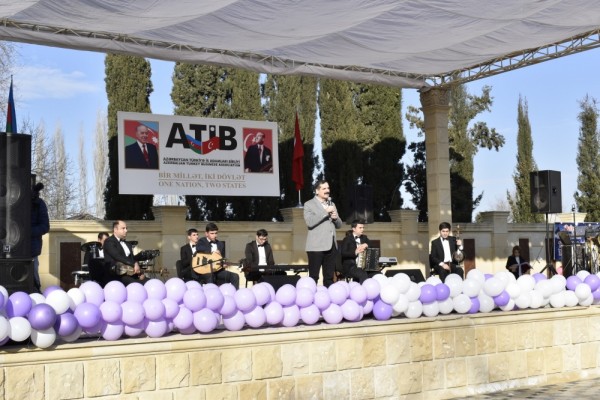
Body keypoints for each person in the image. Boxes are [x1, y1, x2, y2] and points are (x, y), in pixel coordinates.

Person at [304, 180, 342, 287]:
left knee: (329, 278)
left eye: (328, 188)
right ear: (317, 191)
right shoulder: (309, 204)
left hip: (331, 246)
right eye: (324, 188)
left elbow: (339, 225)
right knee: (313, 278)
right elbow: (310, 223)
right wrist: (325, 212)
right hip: (316, 247)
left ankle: (329, 301)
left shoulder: (332, 204)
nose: (327, 191)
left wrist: (335, 218)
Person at [194, 222, 240, 289]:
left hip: (217, 271)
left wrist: (223, 262)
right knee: (210, 276)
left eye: (216, 233)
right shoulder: (201, 241)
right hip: (204, 271)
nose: (214, 235)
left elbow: (221, 260)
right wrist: (213, 253)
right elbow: (199, 249)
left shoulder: (220, 244)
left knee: (235, 276)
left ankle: (235, 296)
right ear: (206, 233)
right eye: (212, 233)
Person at [103, 220, 148, 285]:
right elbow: (117, 256)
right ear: (115, 229)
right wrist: (134, 263)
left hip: (131, 275)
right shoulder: (109, 241)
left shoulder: (128, 244)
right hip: (116, 277)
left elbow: (132, 259)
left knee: (150, 282)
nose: (126, 230)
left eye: (126, 228)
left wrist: (139, 273)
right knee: (135, 284)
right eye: (123, 228)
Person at [31, 181, 49, 293]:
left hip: (31, 248)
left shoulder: (39, 204)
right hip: (11, 249)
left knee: (33, 278)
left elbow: (45, 226)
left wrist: (27, 232)